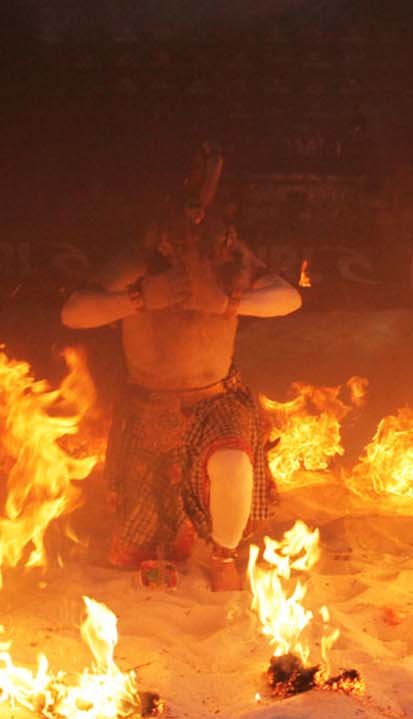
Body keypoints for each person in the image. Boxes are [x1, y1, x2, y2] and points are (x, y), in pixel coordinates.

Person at [61, 144, 302, 591]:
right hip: (148, 410)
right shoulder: (137, 264)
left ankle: (225, 556)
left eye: (203, 210)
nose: (193, 221)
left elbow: (289, 298)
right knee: (139, 549)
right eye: (186, 209)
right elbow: (74, 312)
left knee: (231, 460)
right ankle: (175, 532)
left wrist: (229, 302)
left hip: (215, 403)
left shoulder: (229, 262)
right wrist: (138, 299)